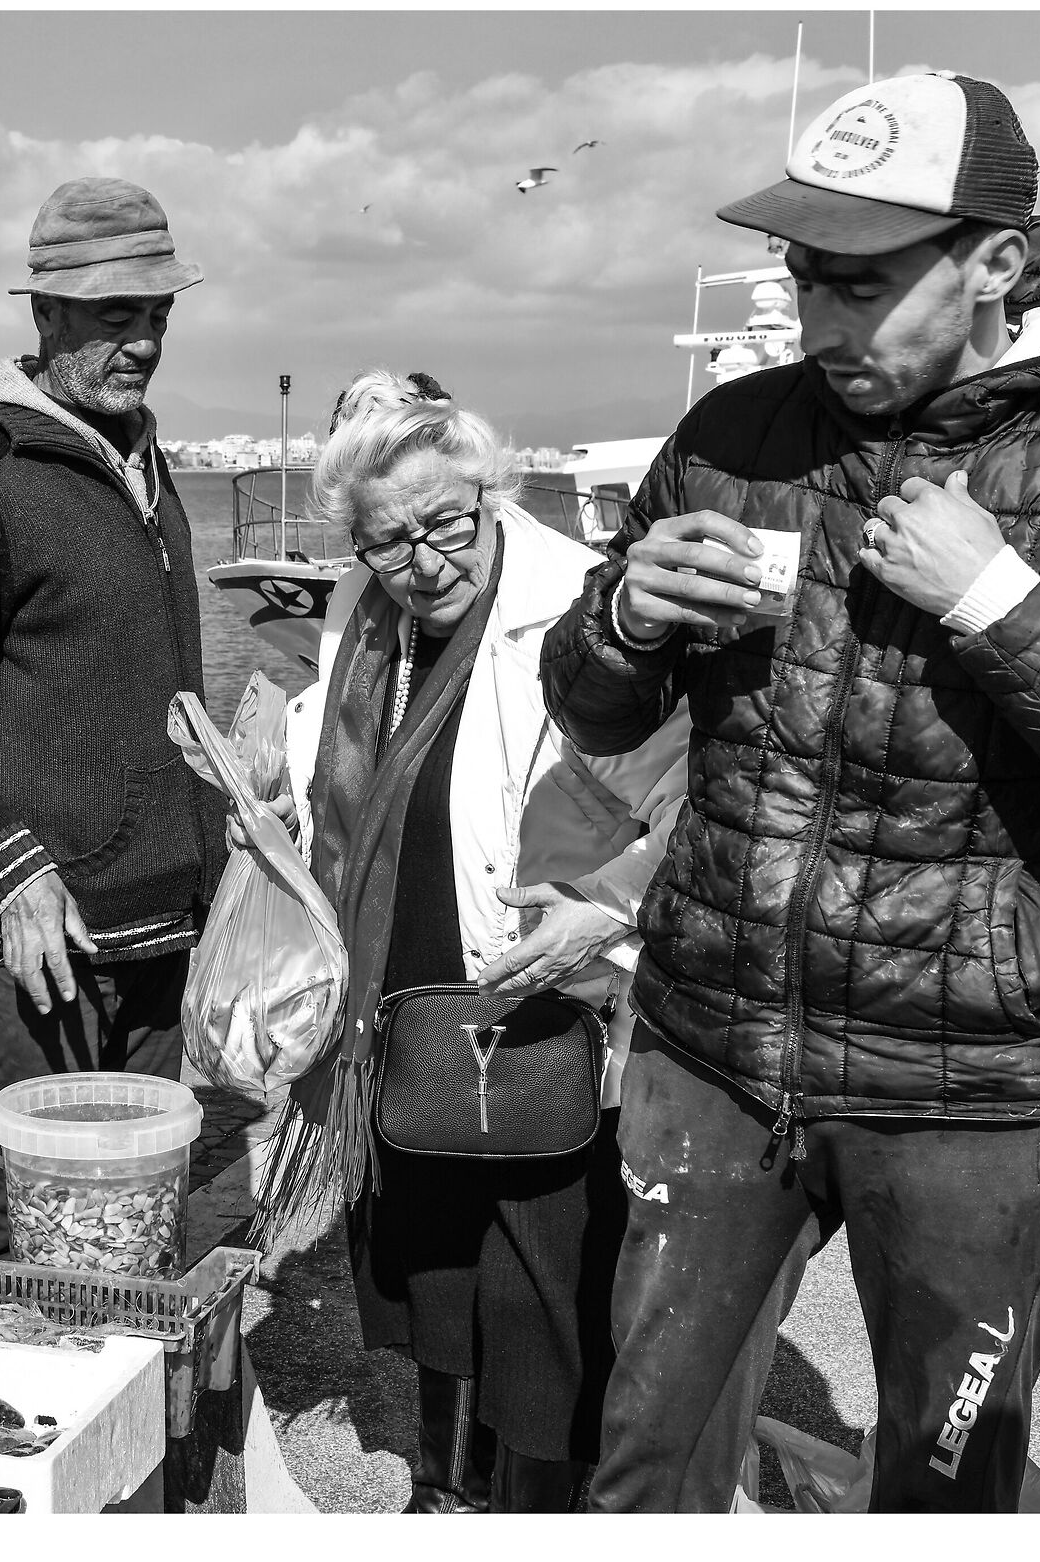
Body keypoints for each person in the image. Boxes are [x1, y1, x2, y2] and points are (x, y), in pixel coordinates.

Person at [537, 73, 1040, 1513]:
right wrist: (624, 620)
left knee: (947, 1494)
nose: (819, 321)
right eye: (801, 276)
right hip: (713, 1055)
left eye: (861, 282)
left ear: (996, 263)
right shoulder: (734, 433)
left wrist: (1002, 603)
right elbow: (593, 712)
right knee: (644, 1473)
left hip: (966, 1087)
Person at [245, 371, 688, 1512]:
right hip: (398, 987)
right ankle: (445, 1484)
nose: (425, 559)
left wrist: (615, 908)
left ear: (494, 493)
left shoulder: (578, 608)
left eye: (449, 522)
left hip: (541, 978)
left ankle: (536, 1499)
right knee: (431, 1250)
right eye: (390, 539)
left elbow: (693, 793)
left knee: (544, 1267)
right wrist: (266, 798)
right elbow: (334, 790)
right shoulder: (360, 605)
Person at [0, 177, 224, 1258]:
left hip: (159, 924)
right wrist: (16, 871)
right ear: (46, 316)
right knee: (11, 1191)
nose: (146, 341)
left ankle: (116, 1412)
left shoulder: (146, 467)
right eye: (118, 317)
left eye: (158, 314)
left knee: (130, 1206)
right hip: (43, 935)